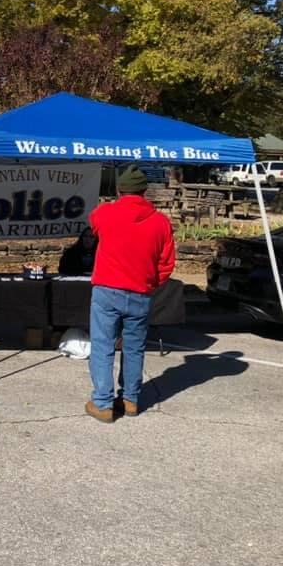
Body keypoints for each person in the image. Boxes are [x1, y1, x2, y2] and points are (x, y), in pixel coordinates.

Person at [84, 165, 175, 423]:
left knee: (103, 346)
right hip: (140, 291)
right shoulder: (161, 222)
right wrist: (150, 283)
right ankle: (131, 399)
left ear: (119, 189)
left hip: (107, 289)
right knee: (134, 348)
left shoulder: (106, 213)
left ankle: (103, 403)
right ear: (145, 191)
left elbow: (94, 224)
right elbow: (166, 262)